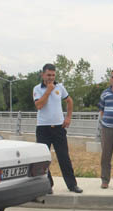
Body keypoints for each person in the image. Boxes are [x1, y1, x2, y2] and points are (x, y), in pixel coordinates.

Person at [33, 63, 83, 194]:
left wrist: (68, 117)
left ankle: (72, 185)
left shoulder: (60, 87)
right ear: (43, 74)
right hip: (43, 128)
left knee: (64, 157)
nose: (51, 77)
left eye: (53, 75)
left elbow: (70, 101)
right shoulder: (37, 89)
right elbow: (39, 105)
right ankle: (47, 185)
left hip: (58, 128)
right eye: (48, 75)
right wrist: (48, 91)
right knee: (43, 158)